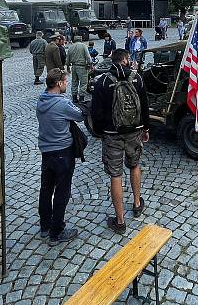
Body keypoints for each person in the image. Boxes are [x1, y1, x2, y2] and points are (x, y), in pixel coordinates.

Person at [90, 49, 150, 235]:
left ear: (112, 61)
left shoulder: (103, 81)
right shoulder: (137, 78)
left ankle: (120, 220)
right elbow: (145, 106)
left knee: (115, 174)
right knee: (135, 165)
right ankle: (137, 204)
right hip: (134, 131)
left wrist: (100, 132)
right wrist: (145, 129)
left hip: (111, 133)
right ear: (125, 60)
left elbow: (96, 112)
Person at [36, 68, 84, 244]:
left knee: (46, 189)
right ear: (58, 83)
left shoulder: (42, 100)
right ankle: (56, 232)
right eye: (65, 81)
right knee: (62, 192)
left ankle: (45, 226)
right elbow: (79, 116)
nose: (66, 84)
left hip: (46, 151)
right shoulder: (61, 104)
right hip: (62, 152)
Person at [66, 35, 91, 103]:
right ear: (81, 39)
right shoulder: (83, 46)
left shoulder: (71, 47)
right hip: (82, 67)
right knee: (83, 83)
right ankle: (81, 98)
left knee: (74, 81)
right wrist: (90, 64)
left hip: (74, 66)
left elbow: (67, 58)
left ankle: (74, 97)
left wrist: (68, 66)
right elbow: (88, 56)